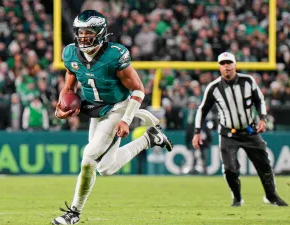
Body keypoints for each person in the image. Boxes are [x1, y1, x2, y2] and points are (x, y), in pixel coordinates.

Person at [52, 10, 173, 224]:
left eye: (88, 33)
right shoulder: (71, 53)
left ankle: (74, 213)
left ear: (100, 33)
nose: (83, 37)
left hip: (118, 106)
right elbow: (68, 86)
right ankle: (149, 139)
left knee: (89, 157)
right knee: (105, 168)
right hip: (95, 109)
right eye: (80, 32)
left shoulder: (115, 55)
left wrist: (126, 119)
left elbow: (138, 90)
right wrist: (60, 108)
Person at [192, 52, 288, 207]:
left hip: (249, 130)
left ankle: (271, 195)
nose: (227, 66)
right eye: (223, 64)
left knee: (264, 164)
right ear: (219, 67)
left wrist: (262, 118)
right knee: (229, 168)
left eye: (229, 63)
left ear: (235, 65)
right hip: (228, 134)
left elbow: (260, 100)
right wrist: (197, 132)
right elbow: (202, 110)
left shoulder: (248, 81)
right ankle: (237, 198)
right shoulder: (214, 87)